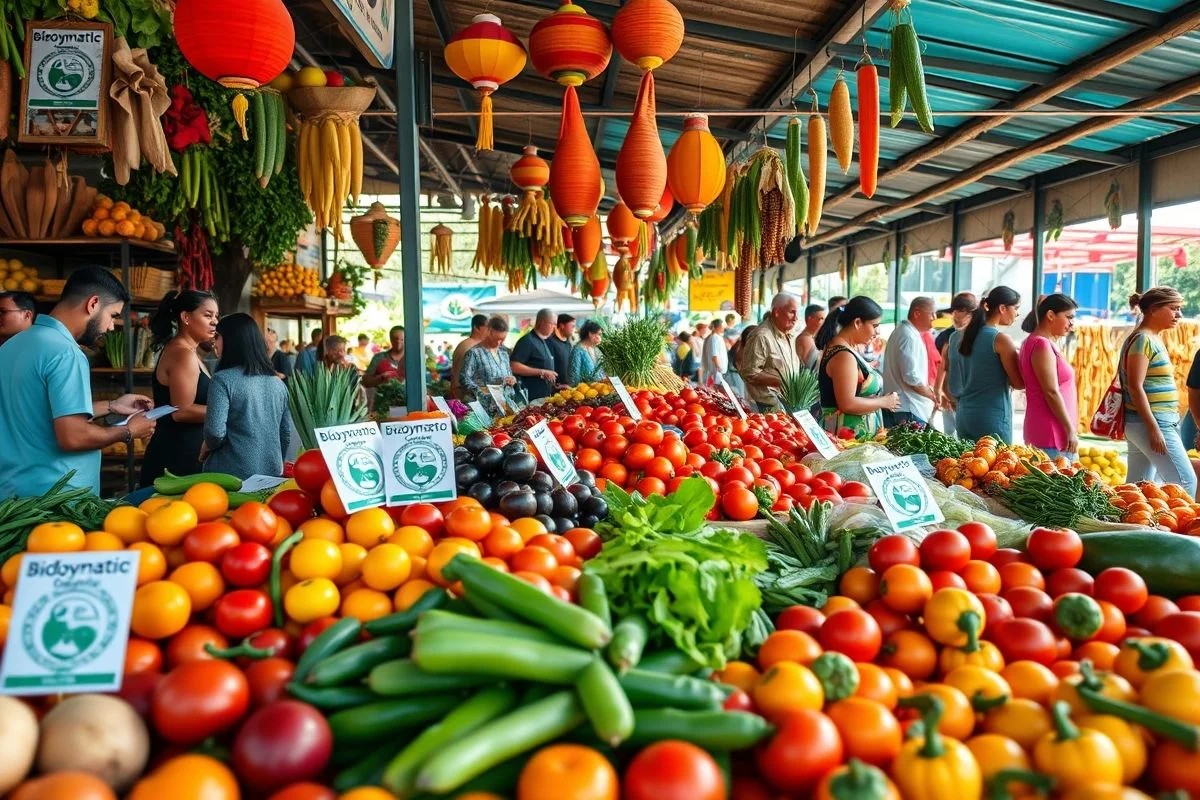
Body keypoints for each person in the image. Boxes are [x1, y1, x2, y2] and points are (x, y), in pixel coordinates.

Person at [0, 266, 154, 496]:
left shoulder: (11, 346)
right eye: (112, 316)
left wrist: (111, 406)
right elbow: (73, 436)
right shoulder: (66, 353)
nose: (111, 327)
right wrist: (129, 431)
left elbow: (38, 413)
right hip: (56, 503)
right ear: (93, 304)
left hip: (13, 497)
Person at [138, 290, 219, 488]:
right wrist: (229, 411)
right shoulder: (183, 354)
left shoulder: (190, 352)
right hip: (177, 457)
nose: (215, 321)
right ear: (186, 317)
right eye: (207, 315)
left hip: (185, 452)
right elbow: (181, 411)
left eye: (216, 316)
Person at [1121, 288, 1196, 496]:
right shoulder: (1143, 339)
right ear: (1153, 309)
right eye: (1173, 308)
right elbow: (1135, 386)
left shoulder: (1149, 338)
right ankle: (1182, 527)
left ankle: (1135, 526)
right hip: (1152, 422)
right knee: (1184, 482)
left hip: (1147, 422)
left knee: (1139, 488)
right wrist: (1153, 428)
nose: (1179, 315)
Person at [201, 313, 290, 479]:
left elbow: (214, 433)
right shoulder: (278, 384)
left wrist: (208, 445)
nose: (215, 344)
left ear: (231, 340)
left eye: (217, 337)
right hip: (271, 473)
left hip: (230, 475)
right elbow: (285, 433)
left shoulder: (222, 380)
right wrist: (275, 464)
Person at [815, 296, 899, 438]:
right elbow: (847, 404)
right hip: (846, 440)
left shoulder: (845, 349)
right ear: (858, 323)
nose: (877, 332)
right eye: (875, 326)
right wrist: (883, 402)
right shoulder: (843, 355)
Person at [948, 286, 1024, 443]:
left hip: (964, 416)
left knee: (966, 466)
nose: (1017, 314)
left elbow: (952, 382)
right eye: (1016, 308)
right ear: (1002, 308)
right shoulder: (1000, 339)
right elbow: (1018, 383)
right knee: (997, 466)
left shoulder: (956, 337)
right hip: (992, 419)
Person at [1019, 294, 1079, 461]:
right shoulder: (1041, 344)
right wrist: (1069, 429)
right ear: (1051, 315)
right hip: (1052, 434)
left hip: (1048, 432)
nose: (1072, 323)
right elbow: (1051, 391)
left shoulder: (1036, 342)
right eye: (1069, 317)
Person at [740, 292, 804, 411]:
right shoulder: (761, 336)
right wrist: (783, 381)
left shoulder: (790, 335)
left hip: (790, 403)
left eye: (797, 313)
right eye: (791, 312)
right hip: (768, 405)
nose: (796, 318)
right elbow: (750, 373)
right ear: (776, 312)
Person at [881, 297, 938, 426]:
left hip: (903, 408)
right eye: (932, 313)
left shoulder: (906, 332)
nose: (934, 317)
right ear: (917, 313)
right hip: (907, 409)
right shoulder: (908, 336)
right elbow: (911, 377)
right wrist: (932, 395)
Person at [934, 292, 978, 436]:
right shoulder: (947, 336)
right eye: (954, 311)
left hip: (972, 400)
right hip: (953, 397)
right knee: (951, 436)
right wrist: (942, 392)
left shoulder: (981, 336)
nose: (955, 315)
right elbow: (944, 365)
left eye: (960, 311)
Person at [460, 316, 517, 415]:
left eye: (502, 339)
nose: (499, 342)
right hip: (483, 408)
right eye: (497, 339)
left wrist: (512, 379)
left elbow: (508, 374)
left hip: (504, 407)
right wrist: (480, 391)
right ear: (489, 332)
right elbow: (464, 378)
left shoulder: (504, 353)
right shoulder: (474, 353)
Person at [510, 309, 560, 401]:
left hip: (544, 395)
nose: (554, 328)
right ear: (541, 322)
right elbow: (514, 366)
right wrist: (542, 372)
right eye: (552, 324)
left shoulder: (543, 340)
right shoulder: (527, 341)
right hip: (531, 397)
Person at [452, 314, 488, 398]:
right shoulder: (473, 346)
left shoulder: (463, 344)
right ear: (476, 327)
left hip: (458, 392)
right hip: (466, 394)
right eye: (487, 327)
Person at [569, 320, 605, 385]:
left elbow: (601, 371)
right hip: (584, 392)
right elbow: (574, 378)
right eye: (599, 334)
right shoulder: (577, 351)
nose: (600, 337)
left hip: (599, 391)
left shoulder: (595, 349)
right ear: (591, 334)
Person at [795, 304, 826, 370]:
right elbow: (812, 367)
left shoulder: (809, 337)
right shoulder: (805, 339)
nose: (824, 322)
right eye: (821, 319)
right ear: (810, 319)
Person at [548, 313, 575, 386]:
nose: (573, 329)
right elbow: (548, 366)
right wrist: (554, 385)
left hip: (568, 386)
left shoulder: (568, 343)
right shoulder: (550, 342)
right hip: (556, 388)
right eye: (572, 326)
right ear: (562, 325)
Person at [702, 318, 728, 386]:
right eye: (722, 325)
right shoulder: (714, 338)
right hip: (717, 371)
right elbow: (714, 355)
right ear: (718, 327)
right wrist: (719, 368)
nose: (724, 327)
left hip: (718, 371)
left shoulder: (717, 337)